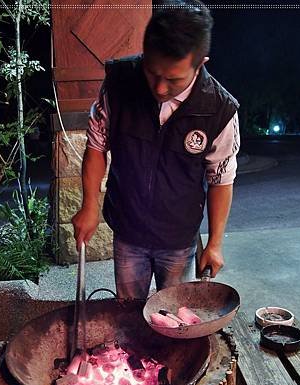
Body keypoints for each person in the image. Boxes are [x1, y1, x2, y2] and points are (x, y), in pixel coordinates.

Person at [72, 0, 240, 300]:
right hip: (128, 231)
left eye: (173, 79)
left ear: (200, 63)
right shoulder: (119, 84)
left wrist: (214, 243)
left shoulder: (219, 109)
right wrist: (89, 205)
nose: (160, 88)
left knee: (174, 318)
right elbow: (97, 146)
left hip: (178, 239)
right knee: (127, 316)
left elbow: (221, 179)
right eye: (152, 72)